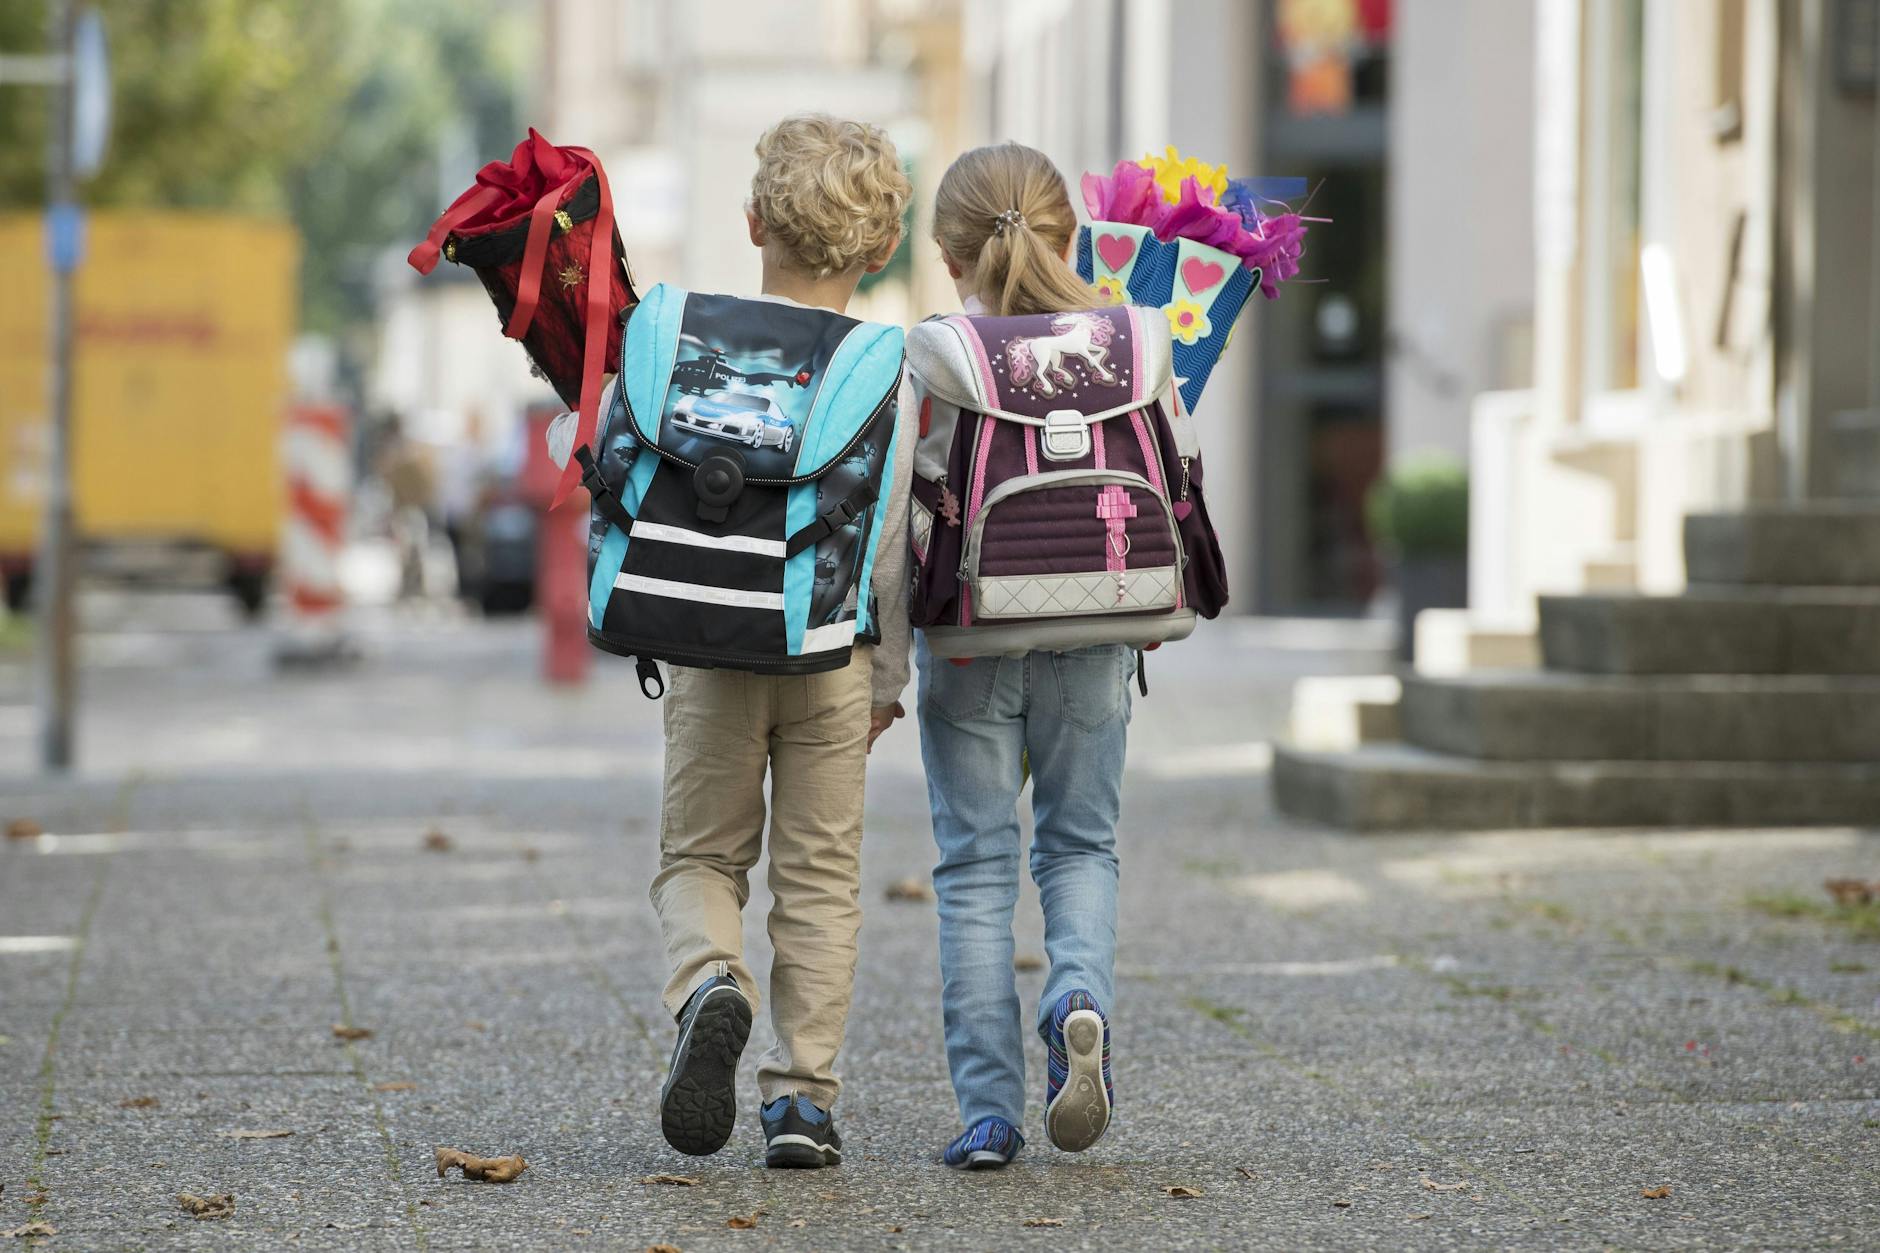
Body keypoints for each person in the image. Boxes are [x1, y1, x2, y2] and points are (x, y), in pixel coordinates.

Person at [634, 114, 916, 1169]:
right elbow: (895, 535)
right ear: (881, 247)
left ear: (751, 221)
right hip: (831, 651)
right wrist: (886, 678)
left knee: (700, 853)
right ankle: (800, 1099)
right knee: (819, 878)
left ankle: (710, 977)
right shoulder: (891, 368)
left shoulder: (691, 345)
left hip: (710, 643)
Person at [908, 143, 1127, 1170]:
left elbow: (907, 510)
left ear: (952, 260)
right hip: (1094, 629)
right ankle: (1076, 995)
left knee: (974, 867)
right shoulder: (1127, 344)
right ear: (1068, 239)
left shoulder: (942, 352)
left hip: (970, 641)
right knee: (1079, 845)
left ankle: (988, 1113)